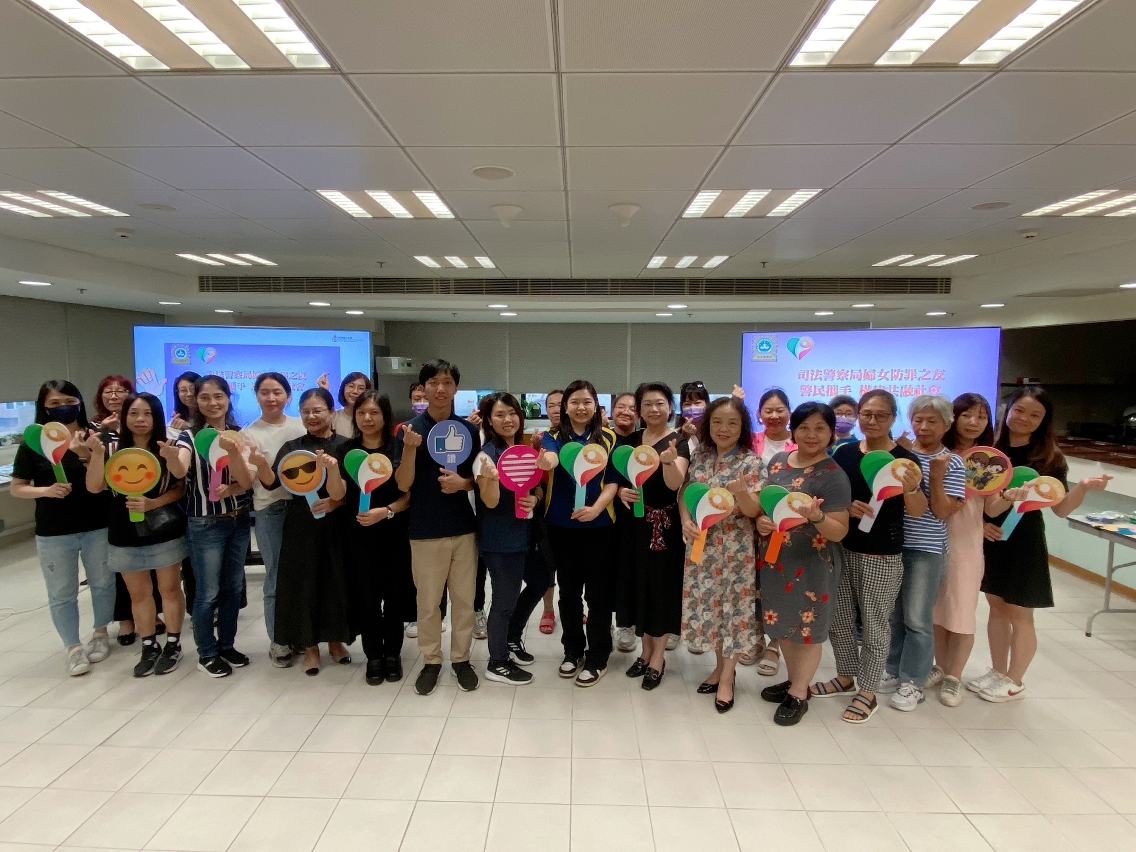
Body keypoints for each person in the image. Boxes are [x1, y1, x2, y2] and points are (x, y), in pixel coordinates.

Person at [973, 387, 1111, 702]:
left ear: (1044, 421)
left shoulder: (1048, 457)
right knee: (996, 607)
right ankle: (997, 672)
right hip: (994, 538)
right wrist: (983, 523)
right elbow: (981, 502)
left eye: (1035, 415)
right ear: (1008, 409)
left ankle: (1015, 681)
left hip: (1025, 540)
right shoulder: (991, 452)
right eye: (1020, 410)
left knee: (1020, 613)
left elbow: (1060, 508)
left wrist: (1083, 487)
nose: (1025, 418)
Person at [826, 390, 926, 723]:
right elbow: (832, 497)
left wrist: (911, 488)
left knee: (874, 623)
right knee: (839, 618)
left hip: (881, 553)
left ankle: (868, 692)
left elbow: (918, 510)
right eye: (866, 414)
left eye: (881, 415)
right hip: (841, 547)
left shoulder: (905, 461)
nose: (872, 421)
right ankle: (845, 676)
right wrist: (846, 507)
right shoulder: (845, 453)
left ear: (893, 418)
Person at [10, 380, 115, 676]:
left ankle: (101, 633)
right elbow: (17, 487)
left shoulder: (96, 436)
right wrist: (45, 491)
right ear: (43, 407)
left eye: (69, 401)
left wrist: (85, 453)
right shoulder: (35, 443)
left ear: (80, 402)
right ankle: (72, 647)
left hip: (97, 524)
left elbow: (106, 481)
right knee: (61, 592)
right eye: (54, 403)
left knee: (103, 583)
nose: (63, 407)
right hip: (54, 530)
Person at [757, 402, 851, 725]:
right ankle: (794, 679)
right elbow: (767, 507)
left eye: (820, 428)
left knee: (808, 630)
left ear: (831, 432)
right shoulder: (778, 463)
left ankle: (799, 693)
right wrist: (761, 522)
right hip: (776, 559)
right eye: (804, 428)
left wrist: (817, 517)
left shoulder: (834, 476)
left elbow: (839, 531)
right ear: (793, 431)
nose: (811, 435)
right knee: (781, 623)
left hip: (813, 564)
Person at [393, 359, 482, 695]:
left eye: (447, 382)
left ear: (455, 388)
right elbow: (403, 484)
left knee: (464, 600)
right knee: (428, 603)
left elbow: (478, 479)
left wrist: (463, 484)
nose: (440, 389)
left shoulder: (469, 431)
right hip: (424, 529)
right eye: (433, 382)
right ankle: (431, 660)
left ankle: (461, 659)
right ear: (423, 388)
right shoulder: (408, 430)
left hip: (463, 528)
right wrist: (410, 449)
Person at [86, 392, 188, 678]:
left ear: (156, 417)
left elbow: (180, 485)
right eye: (133, 413)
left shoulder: (169, 444)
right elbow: (94, 486)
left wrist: (154, 503)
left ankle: (173, 644)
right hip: (123, 530)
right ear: (124, 416)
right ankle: (148, 645)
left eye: (147, 414)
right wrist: (96, 454)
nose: (140, 419)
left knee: (169, 589)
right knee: (139, 594)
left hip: (163, 528)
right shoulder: (110, 447)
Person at [253, 387, 351, 675]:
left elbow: (355, 488)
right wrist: (260, 464)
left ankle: (336, 642)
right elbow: (272, 482)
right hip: (301, 524)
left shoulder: (345, 446)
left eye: (317, 410)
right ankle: (310, 648)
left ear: (331, 412)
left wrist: (336, 503)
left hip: (337, 524)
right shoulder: (293, 447)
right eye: (306, 411)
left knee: (336, 582)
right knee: (304, 584)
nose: (311, 416)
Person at [163, 375, 256, 678]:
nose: (213, 403)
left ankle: (226, 645)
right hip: (204, 524)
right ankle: (206, 652)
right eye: (205, 397)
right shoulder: (188, 437)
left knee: (232, 589)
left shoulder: (239, 435)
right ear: (196, 401)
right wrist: (170, 458)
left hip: (238, 520)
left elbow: (246, 481)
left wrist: (233, 453)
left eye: (218, 396)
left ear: (228, 398)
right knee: (207, 592)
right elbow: (180, 468)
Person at [879, 395, 966, 711]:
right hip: (893, 544)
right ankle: (893, 669)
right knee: (894, 615)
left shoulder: (952, 462)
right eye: (918, 419)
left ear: (947, 424)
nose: (924, 426)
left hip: (926, 549)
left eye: (932, 421)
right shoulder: (900, 454)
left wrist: (937, 476)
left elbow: (943, 511)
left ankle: (913, 682)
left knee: (917, 618)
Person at [680, 396, 764, 711]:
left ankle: (728, 677)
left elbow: (754, 511)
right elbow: (686, 495)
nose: (723, 428)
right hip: (701, 548)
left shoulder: (750, 461)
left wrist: (742, 493)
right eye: (717, 422)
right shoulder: (700, 455)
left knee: (734, 612)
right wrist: (686, 520)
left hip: (734, 549)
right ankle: (719, 668)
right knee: (712, 610)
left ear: (742, 427)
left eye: (732, 423)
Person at [536, 379, 620, 686]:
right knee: (568, 593)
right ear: (565, 407)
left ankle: (598, 656)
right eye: (574, 402)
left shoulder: (609, 437)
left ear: (596, 406)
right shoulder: (552, 436)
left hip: (599, 526)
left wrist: (596, 508)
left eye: (587, 402)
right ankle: (572, 651)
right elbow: (550, 457)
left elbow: (613, 481)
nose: (581, 407)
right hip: (562, 526)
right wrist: (546, 460)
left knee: (598, 595)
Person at [474, 392, 549, 685]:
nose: (508, 419)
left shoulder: (523, 449)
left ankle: (512, 637)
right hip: (500, 539)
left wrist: (535, 499)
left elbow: (536, 486)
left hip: (527, 535)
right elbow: (490, 501)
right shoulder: (486, 456)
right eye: (500, 414)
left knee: (541, 580)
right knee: (504, 601)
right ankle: (497, 662)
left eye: (512, 413)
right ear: (489, 420)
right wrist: (491, 479)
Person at [619, 383, 689, 690]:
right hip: (634, 525)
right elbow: (619, 479)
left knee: (661, 589)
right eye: (647, 404)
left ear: (670, 407)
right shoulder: (631, 440)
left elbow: (675, 485)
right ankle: (644, 652)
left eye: (660, 403)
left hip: (665, 527)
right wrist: (621, 492)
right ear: (639, 410)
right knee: (640, 586)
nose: (654, 409)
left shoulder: (678, 442)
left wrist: (669, 461)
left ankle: (658, 658)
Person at [341, 391, 413, 685]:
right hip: (358, 536)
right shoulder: (345, 450)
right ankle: (373, 656)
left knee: (395, 598)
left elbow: (408, 494)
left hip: (394, 533)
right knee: (367, 599)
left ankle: (393, 655)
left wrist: (386, 511)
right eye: (361, 413)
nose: (367, 418)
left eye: (374, 413)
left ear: (385, 416)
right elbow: (340, 494)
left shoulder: (398, 448)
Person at [932, 392, 997, 706]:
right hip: (931, 539)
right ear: (953, 418)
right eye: (967, 415)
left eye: (981, 417)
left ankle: (954, 677)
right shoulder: (938, 454)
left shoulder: (990, 461)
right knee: (935, 610)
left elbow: (992, 507)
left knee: (961, 611)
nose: (973, 422)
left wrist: (1010, 498)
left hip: (967, 544)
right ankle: (940, 667)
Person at [242, 372, 306, 667]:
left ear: (288, 396)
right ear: (256, 396)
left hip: (303, 507)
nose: (271, 398)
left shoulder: (300, 425)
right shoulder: (250, 434)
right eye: (265, 392)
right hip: (271, 509)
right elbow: (254, 477)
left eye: (277, 392)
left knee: (301, 574)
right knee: (277, 575)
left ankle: (299, 633)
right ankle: (279, 640)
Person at [94, 374, 155, 645]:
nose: (114, 396)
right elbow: (95, 483)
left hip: (154, 518)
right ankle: (127, 622)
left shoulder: (158, 441)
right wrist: (96, 448)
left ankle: (153, 618)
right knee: (124, 574)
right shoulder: (101, 436)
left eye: (120, 391)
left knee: (156, 576)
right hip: (116, 516)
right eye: (108, 391)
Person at [751, 388, 797, 674]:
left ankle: (775, 645)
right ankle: (756, 638)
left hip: (787, 525)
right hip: (752, 522)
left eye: (780, 410)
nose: (774, 415)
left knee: (781, 583)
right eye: (768, 410)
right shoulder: (751, 441)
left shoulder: (799, 443)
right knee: (753, 583)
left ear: (789, 412)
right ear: (759, 414)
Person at [611, 392, 640, 654]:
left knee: (628, 571)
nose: (626, 412)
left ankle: (626, 624)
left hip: (633, 517)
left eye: (632, 408)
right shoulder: (603, 439)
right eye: (621, 407)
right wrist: (618, 490)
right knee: (604, 573)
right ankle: (604, 622)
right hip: (604, 515)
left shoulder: (642, 441)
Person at [535, 389, 564, 635]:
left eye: (560, 404)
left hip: (574, 509)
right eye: (551, 405)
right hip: (546, 510)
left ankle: (572, 606)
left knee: (572, 565)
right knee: (548, 563)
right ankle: (548, 610)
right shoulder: (542, 439)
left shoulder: (583, 438)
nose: (556, 409)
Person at [330, 371, 372, 438]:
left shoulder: (370, 419)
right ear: (343, 389)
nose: (355, 391)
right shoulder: (333, 417)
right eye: (351, 386)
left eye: (361, 388)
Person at [675, 381, 710, 449]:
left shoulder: (715, 432)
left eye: (697, 403)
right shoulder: (674, 434)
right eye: (687, 404)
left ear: (707, 404)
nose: (692, 407)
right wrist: (684, 437)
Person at [168, 371, 201, 435]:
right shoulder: (177, 422)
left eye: (193, 389)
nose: (189, 394)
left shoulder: (212, 417)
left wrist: (187, 430)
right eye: (183, 390)